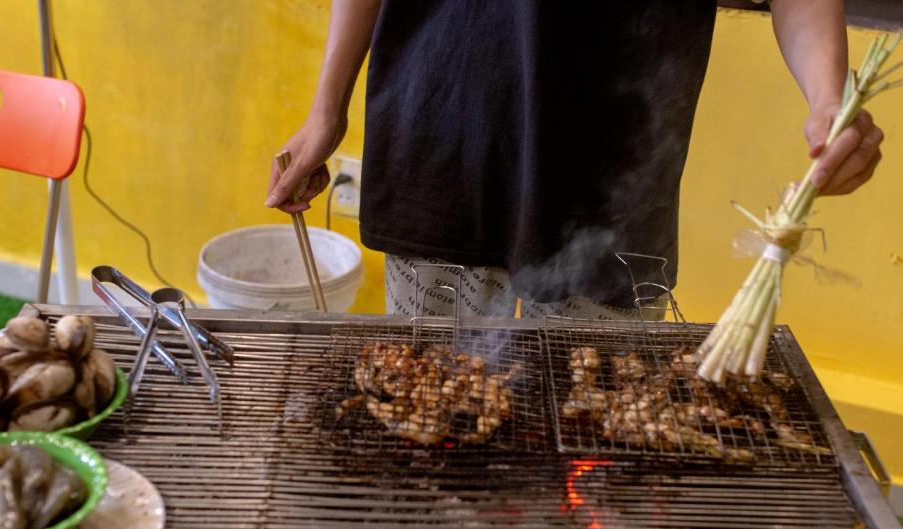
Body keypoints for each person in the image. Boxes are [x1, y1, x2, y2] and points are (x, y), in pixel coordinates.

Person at [265, 1, 883, 320]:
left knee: (596, 439)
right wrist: (326, 110)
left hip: (614, 172)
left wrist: (829, 96)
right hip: (442, 131)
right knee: (425, 411)